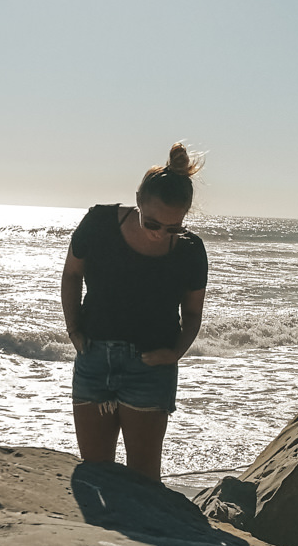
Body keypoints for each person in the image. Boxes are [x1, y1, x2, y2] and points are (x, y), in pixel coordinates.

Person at [61, 142, 207, 479]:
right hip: (94, 360)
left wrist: (175, 353)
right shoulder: (98, 222)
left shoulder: (190, 250)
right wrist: (74, 330)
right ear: (138, 198)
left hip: (149, 370)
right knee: (96, 475)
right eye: (153, 223)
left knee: (143, 481)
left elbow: (193, 314)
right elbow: (71, 274)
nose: (160, 236)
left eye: (173, 228)